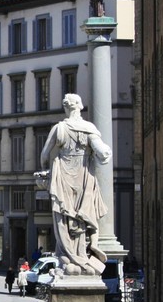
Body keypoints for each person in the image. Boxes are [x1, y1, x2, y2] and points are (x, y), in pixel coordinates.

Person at [39, 93, 111, 276]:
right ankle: (82, 258)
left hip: (63, 175)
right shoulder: (89, 128)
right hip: (84, 176)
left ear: (66, 107)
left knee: (64, 219)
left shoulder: (59, 128)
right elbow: (102, 151)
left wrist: (46, 171)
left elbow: (44, 155)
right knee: (83, 219)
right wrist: (103, 153)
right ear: (80, 106)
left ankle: (69, 259)